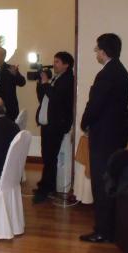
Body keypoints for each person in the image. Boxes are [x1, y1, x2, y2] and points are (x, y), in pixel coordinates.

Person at [80, 33, 128, 243]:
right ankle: (110, 227)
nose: (96, 52)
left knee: (102, 184)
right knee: (109, 182)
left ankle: (103, 230)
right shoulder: (121, 72)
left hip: (103, 137)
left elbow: (95, 104)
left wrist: (84, 122)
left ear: (104, 51)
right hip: (114, 136)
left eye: (97, 49)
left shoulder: (107, 74)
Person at [33, 52, 75, 204]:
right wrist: (41, 83)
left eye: (57, 61)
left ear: (66, 65)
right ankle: (46, 185)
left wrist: (45, 83)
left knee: (50, 157)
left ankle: (45, 189)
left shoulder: (68, 80)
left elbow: (57, 99)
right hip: (48, 124)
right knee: (47, 156)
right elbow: (43, 98)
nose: (54, 64)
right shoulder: (57, 78)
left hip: (56, 125)